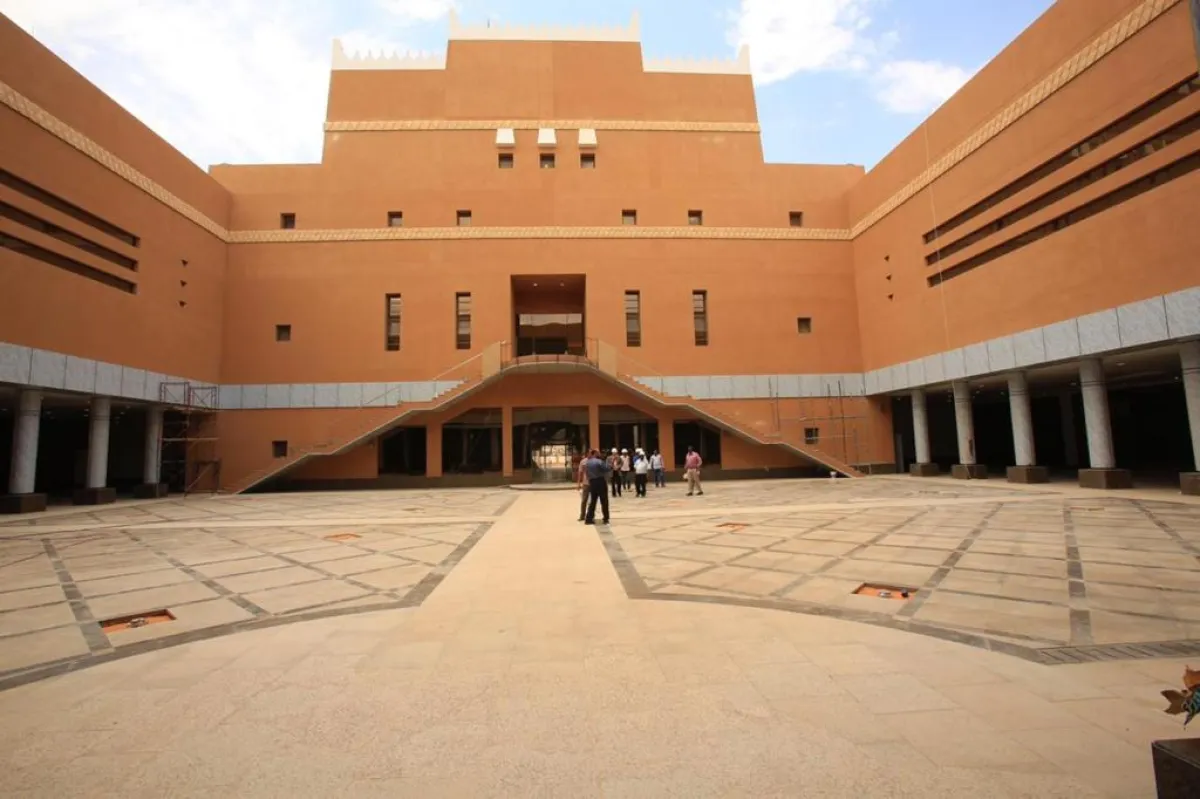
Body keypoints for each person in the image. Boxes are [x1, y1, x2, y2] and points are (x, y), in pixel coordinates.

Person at [583, 449, 611, 525]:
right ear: (595, 453)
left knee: (593, 501)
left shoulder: (587, 462)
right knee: (604, 501)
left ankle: (589, 518)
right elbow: (607, 469)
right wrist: (609, 464)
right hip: (600, 481)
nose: (600, 454)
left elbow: (586, 473)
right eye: (598, 453)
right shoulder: (599, 461)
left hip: (592, 482)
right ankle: (606, 518)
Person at [576, 454, 590, 522]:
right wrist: (578, 484)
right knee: (584, 500)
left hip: (594, 483)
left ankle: (590, 516)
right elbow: (580, 473)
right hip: (586, 483)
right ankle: (582, 515)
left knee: (592, 501)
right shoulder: (583, 461)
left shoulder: (596, 461)